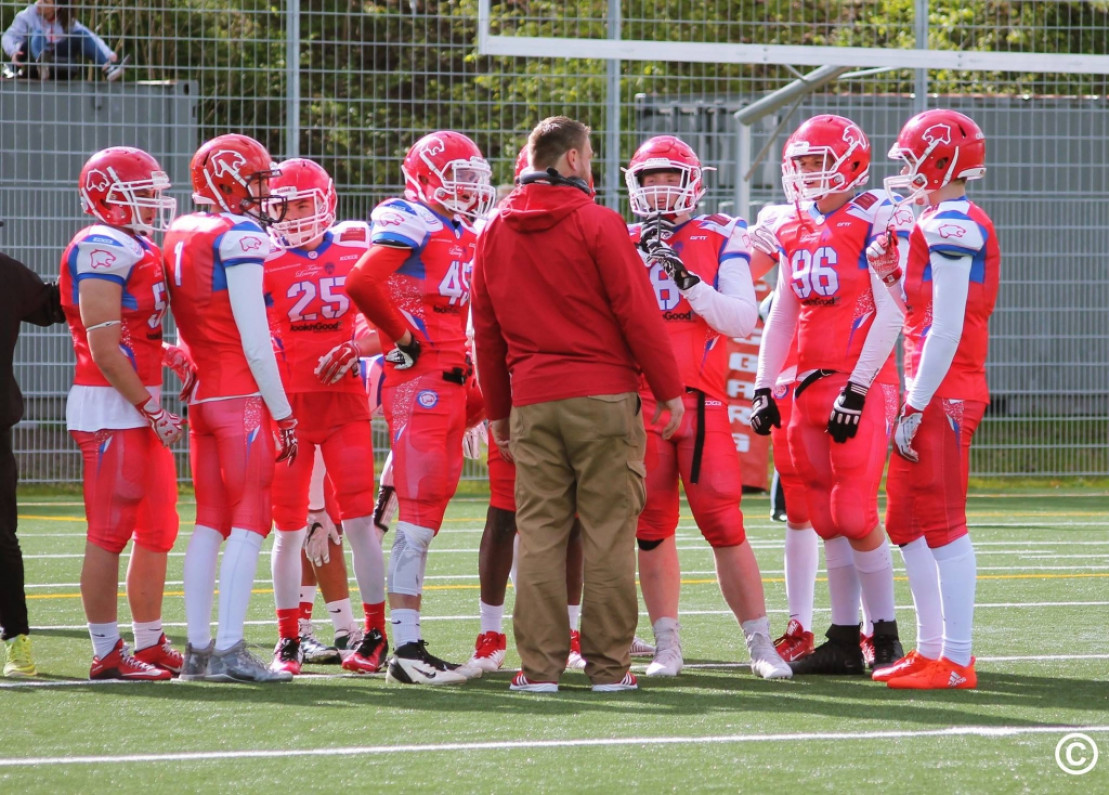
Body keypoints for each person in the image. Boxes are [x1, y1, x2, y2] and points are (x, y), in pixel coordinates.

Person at [471, 115, 684, 693]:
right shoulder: (598, 222)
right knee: (609, 534)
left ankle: (539, 670)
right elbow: (636, 313)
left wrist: (497, 409)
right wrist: (669, 389)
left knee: (539, 534)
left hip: (532, 401)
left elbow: (485, 331)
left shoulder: (492, 230)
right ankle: (609, 671)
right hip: (603, 398)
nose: (590, 165)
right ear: (570, 160)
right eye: (588, 156)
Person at [623, 135, 791, 680]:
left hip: (702, 400)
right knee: (651, 524)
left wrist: (684, 279)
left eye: (670, 176)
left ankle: (761, 643)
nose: (660, 188)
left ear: (692, 182)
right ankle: (666, 642)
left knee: (723, 520)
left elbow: (742, 319)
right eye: (650, 178)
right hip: (641, 402)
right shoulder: (620, 239)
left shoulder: (723, 233)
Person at [751, 114, 911, 676]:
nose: (809, 174)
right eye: (802, 164)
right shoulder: (792, 223)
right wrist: (764, 383)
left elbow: (893, 310)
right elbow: (784, 311)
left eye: (819, 162)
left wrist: (860, 386)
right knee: (821, 514)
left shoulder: (877, 216)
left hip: (858, 380)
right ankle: (843, 638)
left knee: (854, 509)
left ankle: (884, 635)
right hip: (806, 384)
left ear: (853, 161)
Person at [345, 129, 496, 686]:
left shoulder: (462, 231)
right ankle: (405, 647)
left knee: (426, 513)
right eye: (458, 177)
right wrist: (403, 339)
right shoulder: (412, 218)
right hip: (423, 379)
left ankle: (405, 641)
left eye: (474, 179)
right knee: (418, 515)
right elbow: (362, 281)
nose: (469, 189)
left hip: (454, 381)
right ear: (426, 177)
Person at [867, 109, 997, 690]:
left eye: (913, 158)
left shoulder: (953, 221)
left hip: (944, 391)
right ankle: (932, 648)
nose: (906, 170)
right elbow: (918, 315)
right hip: (929, 385)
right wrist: (893, 276)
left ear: (942, 160)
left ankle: (958, 660)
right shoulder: (934, 220)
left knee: (942, 524)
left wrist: (915, 403)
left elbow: (946, 328)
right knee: (905, 522)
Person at [164, 133, 298, 684]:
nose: (265, 192)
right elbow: (254, 340)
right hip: (239, 392)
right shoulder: (238, 234)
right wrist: (284, 411)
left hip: (203, 394)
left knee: (209, 522)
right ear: (226, 179)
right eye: (258, 180)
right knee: (250, 520)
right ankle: (232, 649)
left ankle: (197, 650)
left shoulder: (182, 229)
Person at [59, 146, 182, 681]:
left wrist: (172, 354)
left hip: (136, 403)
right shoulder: (101, 245)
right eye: (143, 193)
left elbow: (140, 332)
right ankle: (107, 651)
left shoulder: (134, 244)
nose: (154, 203)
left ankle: (149, 641)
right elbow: (106, 349)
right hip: (110, 406)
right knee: (110, 530)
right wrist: (153, 408)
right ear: (109, 198)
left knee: (159, 526)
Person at [262, 157, 385, 675]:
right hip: (289, 410)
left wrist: (363, 345)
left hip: (344, 407)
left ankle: (375, 634)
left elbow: (391, 316)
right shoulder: (263, 259)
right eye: (281, 207)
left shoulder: (360, 244)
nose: (291, 216)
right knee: (288, 530)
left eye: (302, 204)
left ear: (327, 202)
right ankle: (289, 637)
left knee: (359, 524)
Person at [748, 206, 821, 663]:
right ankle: (802, 624)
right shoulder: (777, 220)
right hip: (788, 383)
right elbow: (736, 276)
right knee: (798, 512)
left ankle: (871, 629)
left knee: (846, 513)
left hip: (834, 380)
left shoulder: (868, 215)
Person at [0, 249, 64, 678]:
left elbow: (53, 305)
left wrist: (96, 265)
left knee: (2, 538)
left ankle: (16, 638)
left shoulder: (5, 273)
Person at [2, 1, 125, 82]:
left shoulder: (67, 21)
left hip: (55, 54)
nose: (39, 3)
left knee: (80, 35)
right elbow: (8, 37)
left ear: (56, 7)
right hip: (31, 53)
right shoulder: (26, 15)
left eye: (45, 1)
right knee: (38, 34)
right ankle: (42, 65)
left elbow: (90, 36)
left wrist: (109, 54)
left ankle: (108, 69)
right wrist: (13, 51)